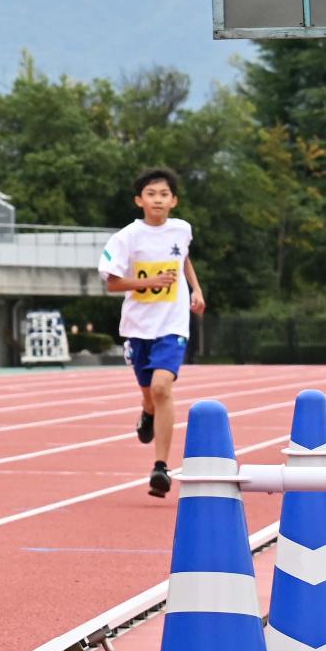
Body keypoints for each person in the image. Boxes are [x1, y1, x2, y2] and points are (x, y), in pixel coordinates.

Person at [98, 166, 204, 499]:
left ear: (174, 201)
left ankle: (161, 467)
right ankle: (147, 412)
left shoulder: (181, 229)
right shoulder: (127, 238)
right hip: (139, 326)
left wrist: (196, 289)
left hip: (172, 324)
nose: (157, 200)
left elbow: (183, 258)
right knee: (149, 394)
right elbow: (112, 283)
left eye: (164, 194)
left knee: (162, 387)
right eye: (151, 194)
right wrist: (149, 282)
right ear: (139, 200)